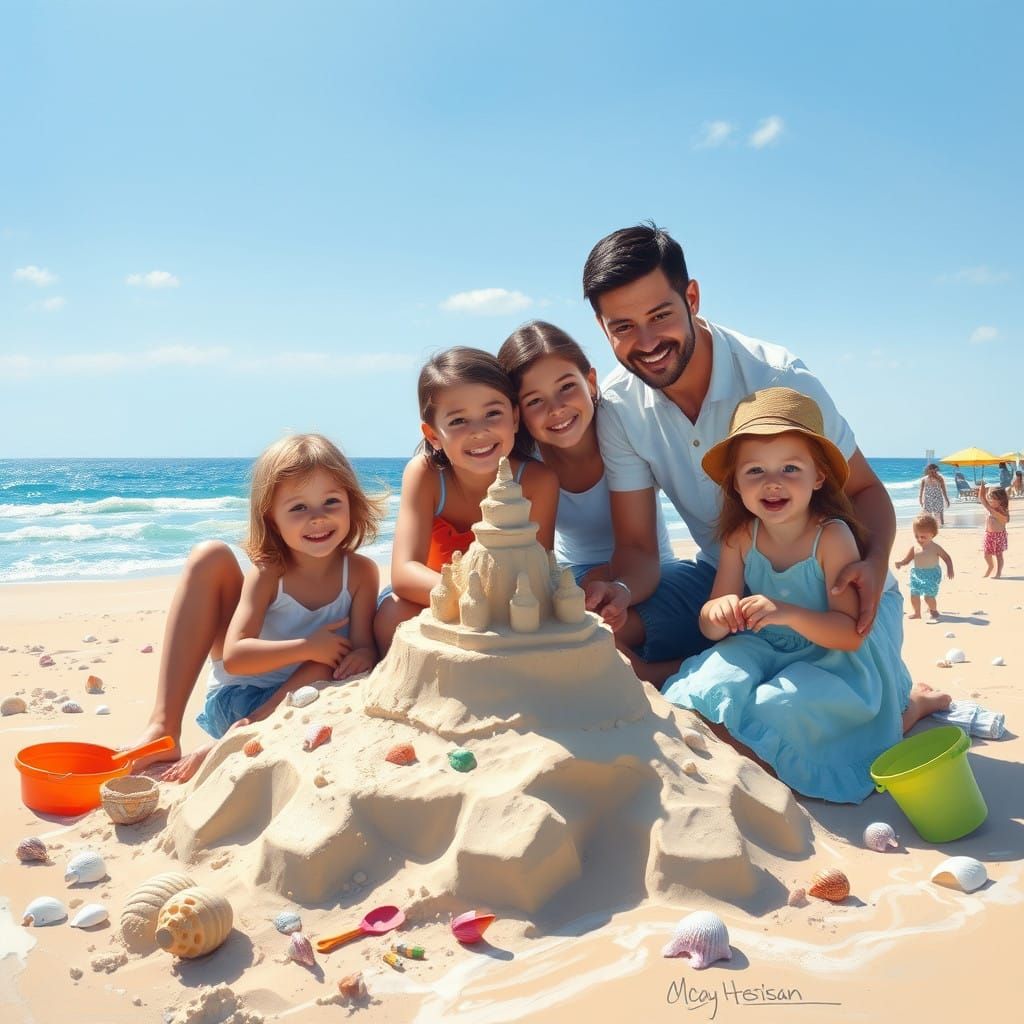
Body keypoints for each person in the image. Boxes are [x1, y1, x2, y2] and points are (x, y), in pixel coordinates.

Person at [577, 222, 945, 726]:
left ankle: (902, 703)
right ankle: (676, 676)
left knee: (805, 709)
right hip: (721, 582)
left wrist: (876, 563)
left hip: (825, 592)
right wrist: (619, 591)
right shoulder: (619, 407)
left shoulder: (778, 378)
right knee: (601, 634)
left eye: (660, 316)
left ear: (692, 298)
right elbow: (639, 548)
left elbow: (864, 489)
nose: (647, 342)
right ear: (603, 329)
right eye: (622, 327)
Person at [659, 388, 941, 803]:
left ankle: (910, 707)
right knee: (708, 684)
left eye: (790, 468)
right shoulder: (740, 536)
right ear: (736, 482)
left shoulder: (832, 536)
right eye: (755, 470)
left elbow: (849, 635)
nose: (772, 482)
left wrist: (784, 611)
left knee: (785, 709)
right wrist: (717, 613)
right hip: (771, 641)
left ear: (818, 477)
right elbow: (711, 626)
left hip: (835, 652)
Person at [158, 434, 384, 782]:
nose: (318, 518)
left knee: (325, 664)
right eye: (298, 508)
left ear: (351, 503)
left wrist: (362, 655)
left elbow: (363, 645)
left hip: (305, 696)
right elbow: (235, 657)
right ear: (272, 518)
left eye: (331, 502)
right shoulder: (269, 573)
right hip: (239, 700)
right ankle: (237, 733)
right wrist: (308, 647)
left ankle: (242, 735)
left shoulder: (361, 572)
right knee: (319, 660)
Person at [497, 321, 677, 655]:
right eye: (535, 401)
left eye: (567, 387)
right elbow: (537, 560)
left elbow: (640, 550)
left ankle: (647, 668)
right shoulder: (524, 463)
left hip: (651, 573)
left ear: (591, 382)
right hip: (576, 578)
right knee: (576, 623)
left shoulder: (623, 430)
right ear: (517, 413)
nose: (556, 409)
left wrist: (618, 585)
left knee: (614, 629)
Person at [373, 347, 559, 654]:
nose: (478, 431)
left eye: (492, 414)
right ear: (433, 435)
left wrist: (490, 608)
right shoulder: (425, 474)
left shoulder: (538, 481)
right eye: (459, 421)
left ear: (514, 418)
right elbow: (404, 573)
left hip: (505, 605)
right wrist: (471, 600)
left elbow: (536, 571)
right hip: (431, 594)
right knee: (393, 613)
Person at [894, 513, 954, 621]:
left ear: (932, 535)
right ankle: (917, 613)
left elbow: (947, 557)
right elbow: (907, 560)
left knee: (928, 596)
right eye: (916, 536)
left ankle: (933, 610)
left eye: (923, 537)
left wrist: (950, 568)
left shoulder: (935, 547)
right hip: (916, 574)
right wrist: (901, 563)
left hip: (931, 574)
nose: (919, 539)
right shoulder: (915, 547)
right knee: (914, 594)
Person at [978, 481, 1010, 578]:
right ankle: (990, 566)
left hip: (998, 536)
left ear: (1000, 501)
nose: (990, 501)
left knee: (998, 555)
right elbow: (982, 499)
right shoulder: (990, 508)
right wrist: (982, 487)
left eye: (992, 499)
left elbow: (1006, 520)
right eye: (989, 498)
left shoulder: (1002, 510)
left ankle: (998, 572)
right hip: (989, 535)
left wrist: (994, 512)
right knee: (986, 555)